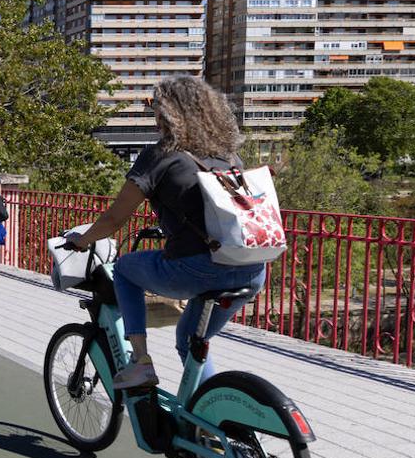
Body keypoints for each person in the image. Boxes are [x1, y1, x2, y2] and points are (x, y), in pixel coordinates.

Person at [63, 75, 266, 390]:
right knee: (189, 339)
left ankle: (140, 363)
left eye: (157, 110)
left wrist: (81, 240)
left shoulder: (160, 155)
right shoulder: (229, 157)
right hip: (252, 268)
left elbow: (115, 219)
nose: (155, 118)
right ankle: (210, 417)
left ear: (169, 114)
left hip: (201, 268)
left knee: (126, 269)